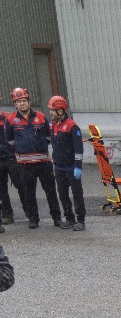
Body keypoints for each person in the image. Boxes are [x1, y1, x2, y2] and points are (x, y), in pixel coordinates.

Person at [5, 87, 63, 230]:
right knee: (28, 192)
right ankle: (33, 219)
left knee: (51, 191)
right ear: (15, 104)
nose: (22, 104)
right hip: (24, 164)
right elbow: (9, 139)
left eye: (24, 101)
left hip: (43, 162)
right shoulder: (11, 119)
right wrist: (23, 147)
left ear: (29, 102)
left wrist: (39, 145)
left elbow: (49, 136)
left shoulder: (41, 116)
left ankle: (57, 218)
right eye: (19, 101)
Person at [47, 95, 85, 231]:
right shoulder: (53, 125)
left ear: (60, 110)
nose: (50, 112)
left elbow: (78, 148)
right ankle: (69, 218)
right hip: (59, 167)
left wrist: (78, 167)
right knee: (63, 194)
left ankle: (81, 220)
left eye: (52, 110)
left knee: (77, 194)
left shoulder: (72, 126)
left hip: (71, 167)